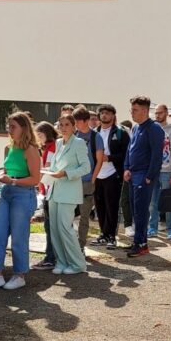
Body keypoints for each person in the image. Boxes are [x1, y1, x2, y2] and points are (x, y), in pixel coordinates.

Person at [0, 112, 42, 290]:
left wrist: (13, 181)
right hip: (6, 192)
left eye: (13, 126)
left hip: (23, 194)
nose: (9, 129)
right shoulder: (9, 147)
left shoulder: (31, 149)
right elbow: (7, 170)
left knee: (19, 236)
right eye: (8, 126)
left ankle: (19, 275)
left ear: (24, 128)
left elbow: (35, 179)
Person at [45, 113, 92, 274]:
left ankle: (78, 264)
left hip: (69, 192)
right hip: (54, 191)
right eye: (61, 124)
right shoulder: (58, 143)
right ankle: (62, 262)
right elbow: (54, 167)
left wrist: (66, 173)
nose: (63, 128)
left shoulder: (79, 143)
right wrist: (45, 175)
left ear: (73, 126)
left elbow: (86, 168)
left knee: (65, 228)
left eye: (67, 125)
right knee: (55, 228)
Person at [123, 97, 165, 257]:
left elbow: (157, 154)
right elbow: (129, 150)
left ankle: (141, 244)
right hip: (133, 174)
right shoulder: (136, 128)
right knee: (135, 210)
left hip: (144, 175)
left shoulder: (154, 129)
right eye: (131, 110)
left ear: (145, 111)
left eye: (135, 110)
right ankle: (138, 242)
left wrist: (150, 176)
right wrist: (126, 168)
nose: (131, 113)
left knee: (141, 211)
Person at [91, 105, 128, 250]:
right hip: (97, 174)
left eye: (107, 113)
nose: (104, 115)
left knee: (111, 206)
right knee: (99, 206)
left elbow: (125, 155)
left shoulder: (120, 133)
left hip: (113, 173)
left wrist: (109, 158)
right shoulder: (94, 133)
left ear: (113, 115)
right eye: (102, 113)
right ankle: (103, 234)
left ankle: (112, 236)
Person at [149, 104, 171, 240]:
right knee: (153, 201)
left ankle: (170, 229)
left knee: (168, 201)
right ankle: (152, 228)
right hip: (153, 170)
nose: (157, 116)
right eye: (156, 113)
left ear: (166, 113)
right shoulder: (152, 130)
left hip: (167, 171)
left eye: (160, 113)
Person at [73, 106, 101, 252]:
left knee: (84, 217)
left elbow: (99, 159)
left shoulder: (96, 137)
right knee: (69, 216)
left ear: (85, 121)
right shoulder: (73, 136)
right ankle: (70, 245)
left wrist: (93, 179)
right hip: (72, 181)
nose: (75, 124)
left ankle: (80, 246)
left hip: (87, 182)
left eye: (77, 121)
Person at [33, 121, 59, 271]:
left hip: (50, 190)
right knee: (50, 226)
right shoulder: (48, 147)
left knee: (50, 226)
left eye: (40, 135)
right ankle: (51, 257)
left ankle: (51, 258)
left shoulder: (51, 147)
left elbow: (48, 169)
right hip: (48, 189)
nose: (38, 138)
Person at [119, 119, 135, 238]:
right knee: (123, 200)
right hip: (117, 172)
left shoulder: (129, 136)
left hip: (128, 172)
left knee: (127, 200)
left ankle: (128, 225)